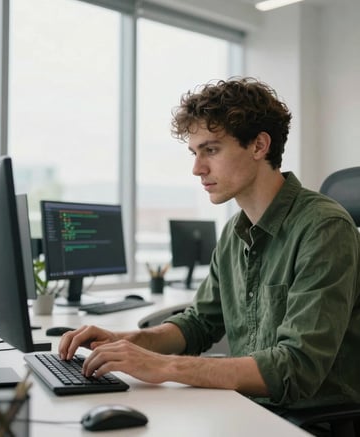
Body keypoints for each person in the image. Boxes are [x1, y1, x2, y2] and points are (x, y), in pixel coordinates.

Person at [59, 77, 360, 411]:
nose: (197, 168)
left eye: (211, 150)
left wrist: (164, 367)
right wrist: (128, 341)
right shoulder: (235, 232)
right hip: (248, 407)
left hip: (309, 420)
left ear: (259, 146)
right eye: (194, 152)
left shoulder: (324, 228)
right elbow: (199, 324)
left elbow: (296, 368)